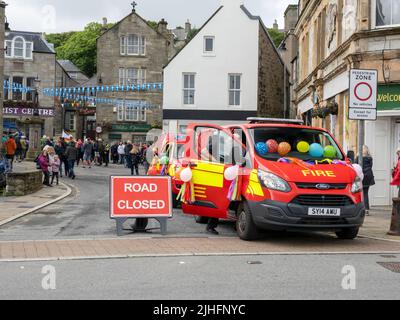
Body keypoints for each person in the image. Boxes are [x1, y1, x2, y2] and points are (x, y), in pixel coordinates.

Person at [357, 146, 375, 216]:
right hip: (368, 176)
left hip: (361, 176)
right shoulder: (370, 158)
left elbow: (356, 166)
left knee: (359, 193)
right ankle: (366, 209)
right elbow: (370, 166)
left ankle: (361, 209)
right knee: (365, 193)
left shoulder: (358, 157)